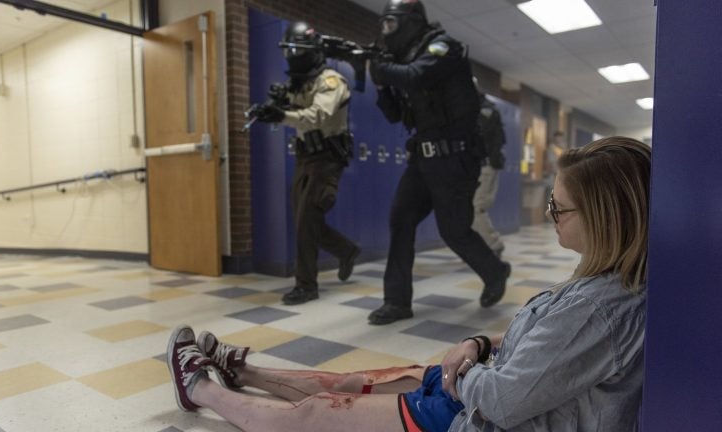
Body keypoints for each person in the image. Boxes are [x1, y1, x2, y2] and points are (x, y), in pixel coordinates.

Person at [166, 136, 651, 431]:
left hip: (479, 418)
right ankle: (245, 374)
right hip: (483, 388)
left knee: (317, 415)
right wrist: (479, 341)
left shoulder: (600, 310)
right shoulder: (604, 285)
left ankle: (201, 390)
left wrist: (459, 372)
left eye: (558, 208)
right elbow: (549, 352)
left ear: (606, 219)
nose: (548, 215)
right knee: (356, 382)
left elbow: (504, 403)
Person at [366, 0, 511, 324]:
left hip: (456, 160)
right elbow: (393, 114)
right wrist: (378, 82)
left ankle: (495, 271)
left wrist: (381, 68)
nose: (387, 31)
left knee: (454, 231)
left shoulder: (444, 47)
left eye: (392, 24)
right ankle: (397, 302)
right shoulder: (401, 62)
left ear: (411, 22)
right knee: (400, 221)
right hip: (422, 159)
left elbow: (418, 76)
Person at [253, 21, 361, 305]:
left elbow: (316, 116)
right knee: (304, 220)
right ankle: (347, 251)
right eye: (287, 51)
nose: (291, 57)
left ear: (311, 51)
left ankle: (306, 286)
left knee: (306, 220)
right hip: (305, 156)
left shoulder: (331, 81)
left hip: (327, 158)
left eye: (295, 51)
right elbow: (296, 106)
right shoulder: (302, 83)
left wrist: (280, 115)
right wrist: (277, 103)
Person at [472, 91, 507, 258]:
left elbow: (481, 134)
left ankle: (494, 244)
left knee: (476, 207)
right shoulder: (477, 107)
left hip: (485, 166)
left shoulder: (485, 110)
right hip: (473, 167)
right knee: (467, 209)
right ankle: (479, 247)